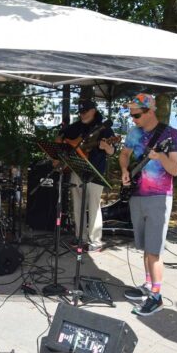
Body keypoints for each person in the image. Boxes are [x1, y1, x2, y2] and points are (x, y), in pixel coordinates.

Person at [119, 93, 177, 316]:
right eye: (131, 114)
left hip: (159, 197)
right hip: (137, 194)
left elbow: (175, 169)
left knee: (154, 250)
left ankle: (157, 296)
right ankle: (148, 285)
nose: (132, 118)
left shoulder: (171, 134)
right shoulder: (134, 133)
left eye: (136, 114)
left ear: (150, 112)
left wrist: (159, 158)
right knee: (145, 246)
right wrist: (125, 170)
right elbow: (124, 154)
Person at [59, 99, 116, 252]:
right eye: (80, 112)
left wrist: (106, 146)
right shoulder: (75, 127)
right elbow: (60, 137)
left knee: (93, 206)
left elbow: (112, 151)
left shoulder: (104, 129)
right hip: (76, 169)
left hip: (95, 172)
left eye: (85, 112)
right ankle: (80, 237)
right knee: (77, 205)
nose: (82, 114)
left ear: (93, 111)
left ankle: (95, 241)